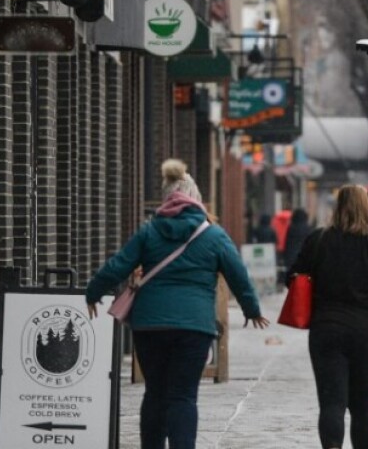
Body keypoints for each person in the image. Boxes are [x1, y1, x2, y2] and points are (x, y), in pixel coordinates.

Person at [86, 158, 270, 449]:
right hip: (194, 327)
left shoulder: (149, 231)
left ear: (166, 198)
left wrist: (93, 293)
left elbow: (117, 266)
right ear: (195, 199)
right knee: (183, 395)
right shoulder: (214, 235)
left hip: (150, 325)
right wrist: (252, 310)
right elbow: (238, 274)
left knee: (155, 392)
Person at [289, 185, 368, 449]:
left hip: (327, 328)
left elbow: (292, 278)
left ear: (337, 207)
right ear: (366, 207)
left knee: (331, 402)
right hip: (367, 329)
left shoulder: (318, 240)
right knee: (363, 406)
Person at [282, 208, 312, 278]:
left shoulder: (291, 228)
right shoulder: (308, 228)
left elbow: (287, 242)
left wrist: (285, 255)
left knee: (292, 276)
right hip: (304, 256)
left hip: (291, 255)